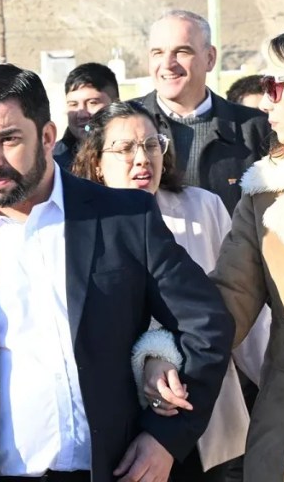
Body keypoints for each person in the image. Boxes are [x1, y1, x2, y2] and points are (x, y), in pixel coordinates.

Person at [0, 63, 235, 482]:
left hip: (112, 470)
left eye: (9, 139)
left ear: (48, 137)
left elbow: (208, 325)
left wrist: (165, 438)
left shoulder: (123, 218)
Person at [151, 24, 284, 482]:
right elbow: (227, 300)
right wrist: (163, 355)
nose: (266, 100)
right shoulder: (264, 192)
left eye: (276, 85)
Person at [71, 101, 253, 481]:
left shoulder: (203, 208)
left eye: (152, 145)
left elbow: (237, 312)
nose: (142, 159)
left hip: (204, 419)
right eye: (124, 149)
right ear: (96, 163)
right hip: (121, 426)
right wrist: (152, 356)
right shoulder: (77, 225)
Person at [135, 10, 271, 213]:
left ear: (210, 58)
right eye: (158, 53)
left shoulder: (256, 129)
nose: (167, 64)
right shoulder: (120, 127)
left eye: (181, 52)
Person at [54, 63, 119, 170]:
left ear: (116, 104)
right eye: (73, 104)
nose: (82, 114)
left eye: (92, 103)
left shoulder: (137, 154)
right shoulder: (53, 163)